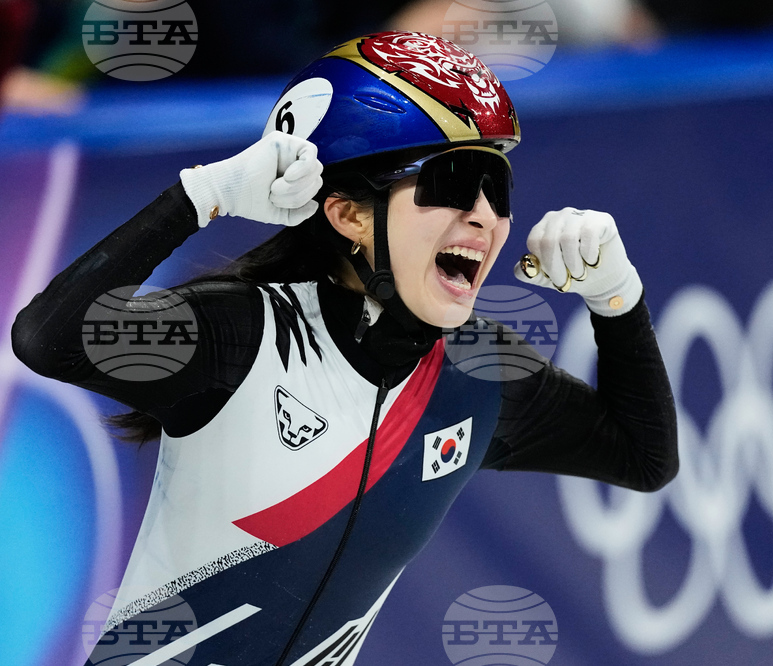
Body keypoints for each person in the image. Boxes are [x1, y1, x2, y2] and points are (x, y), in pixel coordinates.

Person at [11, 31, 678, 666]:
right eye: (450, 184)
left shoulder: (478, 370)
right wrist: (202, 196)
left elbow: (642, 456)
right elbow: (47, 340)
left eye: (495, 187)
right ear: (348, 215)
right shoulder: (248, 333)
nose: (483, 215)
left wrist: (617, 298)